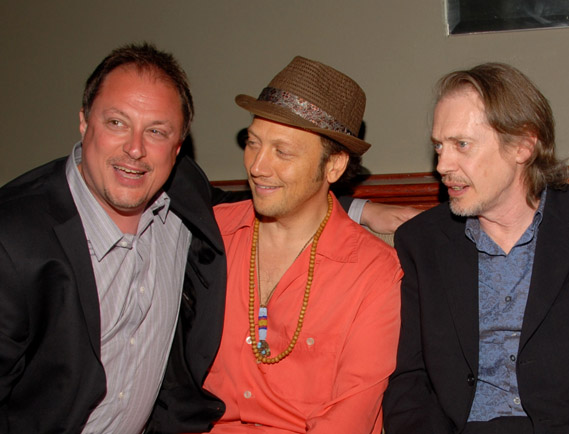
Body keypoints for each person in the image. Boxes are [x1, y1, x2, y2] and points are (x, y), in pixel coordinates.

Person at [0, 43, 237, 433]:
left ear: (177, 150)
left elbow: (249, 200)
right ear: (83, 121)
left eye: (156, 132)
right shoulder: (12, 238)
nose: (135, 149)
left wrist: (359, 209)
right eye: (116, 122)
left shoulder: (184, 195)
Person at [382, 62, 569, 433]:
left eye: (461, 145)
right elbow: (409, 380)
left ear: (522, 146)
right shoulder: (422, 243)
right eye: (438, 145)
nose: (442, 165)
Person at [202, 56, 402, 433]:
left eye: (283, 152)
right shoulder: (210, 236)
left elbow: (349, 419)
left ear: (334, 166)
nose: (257, 166)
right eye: (253, 143)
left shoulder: (374, 273)